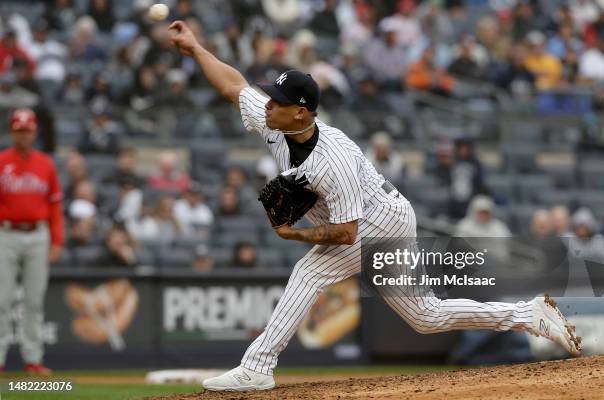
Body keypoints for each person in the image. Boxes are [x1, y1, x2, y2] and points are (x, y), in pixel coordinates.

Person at [168, 20, 581, 391]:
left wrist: (297, 234)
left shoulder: (332, 161)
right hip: (383, 213)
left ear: (300, 112)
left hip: (378, 222)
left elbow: (347, 233)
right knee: (425, 317)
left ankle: (258, 366)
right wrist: (196, 48)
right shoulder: (277, 123)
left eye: (276, 100)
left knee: (309, 271)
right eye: (270, 98)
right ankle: (528, 314)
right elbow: (233, 85)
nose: (267, 104)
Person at [0, 109, 64, 375]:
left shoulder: (45, 164)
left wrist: (57, 240)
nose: (24, 134)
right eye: (19, 129)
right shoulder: (2, 161)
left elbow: (55, 206)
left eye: (27, 129)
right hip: (6, 234)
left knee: (34, 301)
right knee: (1, 301)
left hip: (38, 235)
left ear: (35, 132)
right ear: (12, 132)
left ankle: (33, 360)